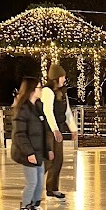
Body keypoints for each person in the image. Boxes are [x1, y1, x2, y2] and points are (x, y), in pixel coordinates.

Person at [11, 77, 54, 210]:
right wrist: (29, 153)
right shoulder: (22, 109)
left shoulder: (38, 106)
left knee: (40, 183)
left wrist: (48, 149)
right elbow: (19, 134)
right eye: (39, 88)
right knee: (32, 182)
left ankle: (35, 206)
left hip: (39, 151)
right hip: (27, 152)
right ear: (31, 90)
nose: (41, 90)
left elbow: (44, 131)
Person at [41, 63, 78, 201]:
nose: (64, 79)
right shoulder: (47, 91)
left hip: (58, 128)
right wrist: (55, 129)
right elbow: (48, 111)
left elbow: (67, 111)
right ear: (55, 77)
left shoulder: (63, 91)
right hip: (48, 130)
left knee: (58, 160)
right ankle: (34, 185)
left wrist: (73, 129)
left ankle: (52, 189)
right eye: (62, 76)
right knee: (48, 160)